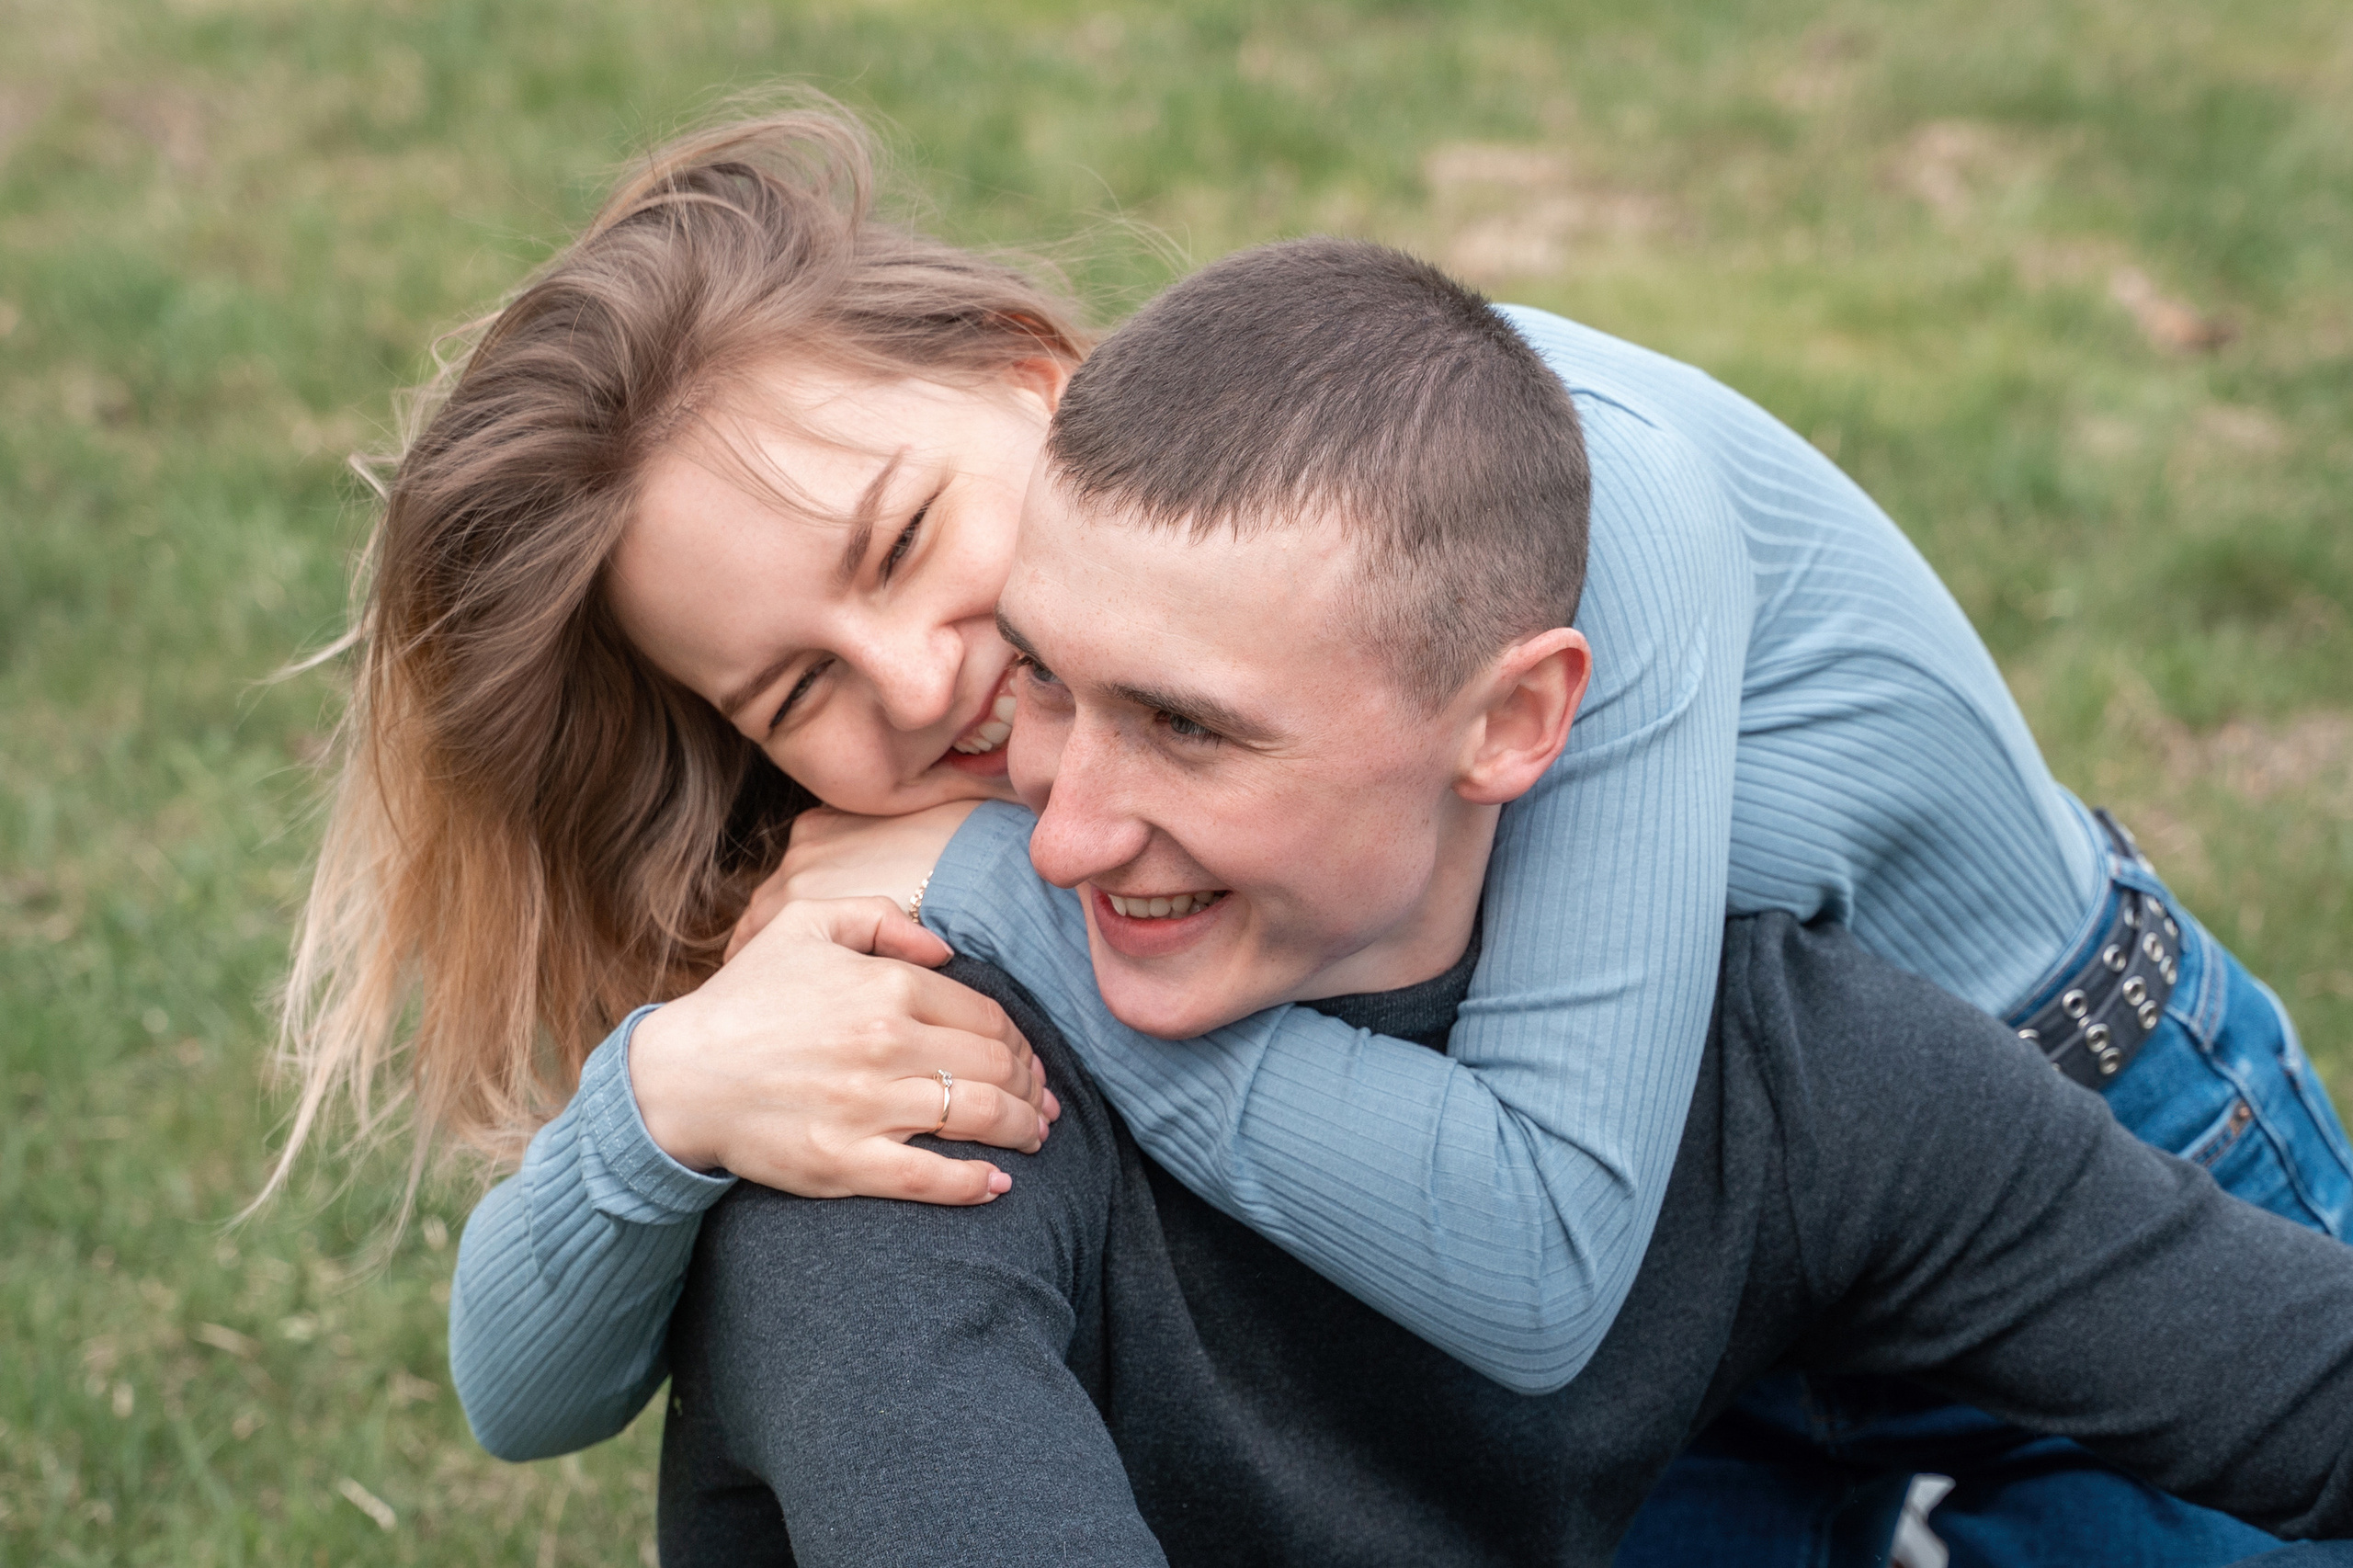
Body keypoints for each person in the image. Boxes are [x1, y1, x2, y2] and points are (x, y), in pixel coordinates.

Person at [270, 101, 2347, 1555]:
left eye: (899, 542)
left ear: (1034, 371)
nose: (914, 685)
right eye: (792, 690)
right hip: (1682, 1311)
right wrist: (660, 1095)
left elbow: (1540, 1253)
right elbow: (527, 1384)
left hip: (2058, 1118)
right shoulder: (984, 951)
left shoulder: (1543, 516)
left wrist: (998, 882)